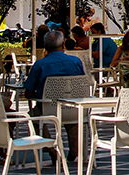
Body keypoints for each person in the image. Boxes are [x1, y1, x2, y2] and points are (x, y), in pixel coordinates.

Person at [23, 30, 85, 161]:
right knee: (73, 121)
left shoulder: (40, 65)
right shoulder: (76, 62)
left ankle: (50, 148)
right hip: (73, 108)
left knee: (33, 116)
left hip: (48, 109)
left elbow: (28, 93)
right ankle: (75, 151)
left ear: (45, 47)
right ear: (63, 44)